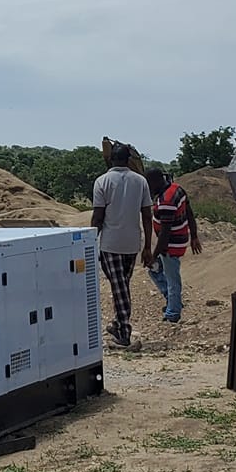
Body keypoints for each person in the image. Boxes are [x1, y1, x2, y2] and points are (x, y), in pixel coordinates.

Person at [91, 143, 153, 349]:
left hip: (110, 243)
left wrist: (91, 242)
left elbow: (98, 217)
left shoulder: (102, 181)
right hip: (132, 243)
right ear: (128, 160)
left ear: (111, 160)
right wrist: (147, 247)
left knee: (120, 289)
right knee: (122, 286)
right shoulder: (140, 181)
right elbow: (146, 215)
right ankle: (118, 324)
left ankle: (124, 332)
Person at [144, 167, 203, 322]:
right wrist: (194, 235)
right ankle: (172, 302)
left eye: (149, 184)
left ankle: (173, 313)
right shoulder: (177, 189)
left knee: (172, 279)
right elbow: (189, 212)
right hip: (178, 239)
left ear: (155, 182)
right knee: (155, 270)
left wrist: (154, 254)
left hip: (170, 245)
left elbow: (165, 233)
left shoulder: (166, 201)